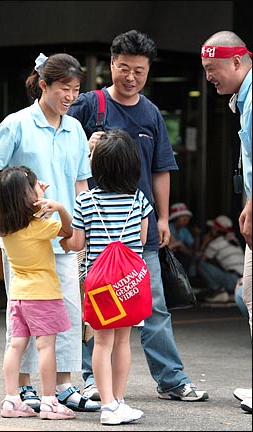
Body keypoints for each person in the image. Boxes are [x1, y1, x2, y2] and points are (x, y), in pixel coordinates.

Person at [67, 29, 209, 402]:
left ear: (148, 72)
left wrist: (163, 219)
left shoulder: (151, 114)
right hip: (96, 229)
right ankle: (91, 383)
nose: (131, 77)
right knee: (94, 311)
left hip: (138, 229)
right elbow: (60, 143)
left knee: (152, 307)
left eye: (140, 71)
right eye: (124, 68)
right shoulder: (88, 105)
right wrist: (85, 144)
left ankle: (172, 380)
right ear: (111, 64)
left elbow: (161, 169)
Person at [0, 52, 100, 412]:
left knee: (64, 309)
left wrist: (84, 224)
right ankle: (24, 387)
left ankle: (62, 385)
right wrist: (5, 190)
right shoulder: (16, 124)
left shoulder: (76, 128)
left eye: (76, 90)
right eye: (64, 88)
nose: (70, 96)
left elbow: (81, 183)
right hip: (22, 237)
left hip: (62, 234)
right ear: (44, 84)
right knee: (24, 311)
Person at [61, 129, 153, 424]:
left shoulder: (85, 201)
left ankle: (108, 406)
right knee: (124, 342)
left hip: (99, 284)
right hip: (129, 284)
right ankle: (120, 401)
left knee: (101, 344)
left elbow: (77, 244)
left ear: (96, 166)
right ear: (132, 166)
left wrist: (63, 241)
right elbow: (140, 240)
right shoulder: (138, 199)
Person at [0, 166, 76, 419]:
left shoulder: (7, 228)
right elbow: (68, 231)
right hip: (43, 293)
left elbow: (29, 212)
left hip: (19, 294)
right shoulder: (39, 227)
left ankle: (11, 400)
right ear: (26, 194)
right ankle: (50, 401)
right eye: (34, 186)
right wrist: (59, 207)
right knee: (46, 346)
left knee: (15, 346)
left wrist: (37, 193)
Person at [201, 30, 252, 414]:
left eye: (212, 68)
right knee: (249, 294)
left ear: (236, 62)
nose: (209, 77)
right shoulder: (243, 99)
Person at [196, 215, 245, 303]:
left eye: (212, 228)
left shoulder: (215, 244)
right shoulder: (234, 241)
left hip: (233, 280)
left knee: (201, 265)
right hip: (243, 280)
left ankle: (217, 292)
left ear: (216, 230)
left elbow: (201, 258)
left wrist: (205, 242)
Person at [168, 202, 201, 279]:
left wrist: (197, 237)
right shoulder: (168, 228)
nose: (186, 219)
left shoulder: (184, 231)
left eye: (187, 217)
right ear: (175, 218)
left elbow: (193, 250)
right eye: (182, 217)